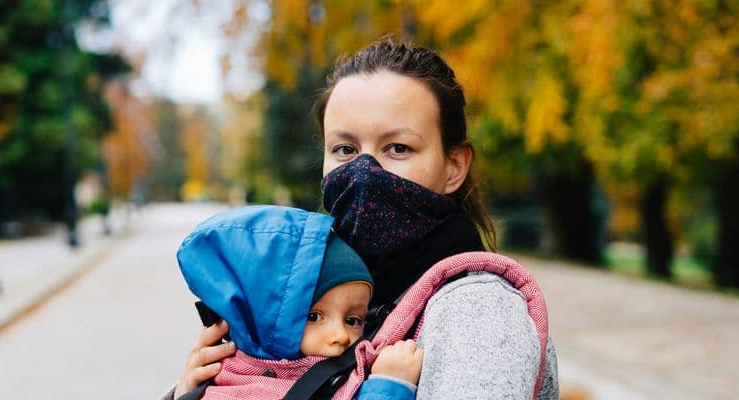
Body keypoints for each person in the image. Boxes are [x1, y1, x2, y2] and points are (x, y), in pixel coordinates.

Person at [171, 39, 559, 400]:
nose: (364, 172)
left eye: (398, 148)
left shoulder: (478, 312)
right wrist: (203, 389)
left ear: (453, 167)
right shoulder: (320, 293)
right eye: (345, 148)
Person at [174, 206, 424, 399]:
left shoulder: (343, 368)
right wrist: (389, 387)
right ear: (262, 320)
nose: (341, 335)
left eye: (352, 320)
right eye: (313, 316)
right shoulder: (238, 389)